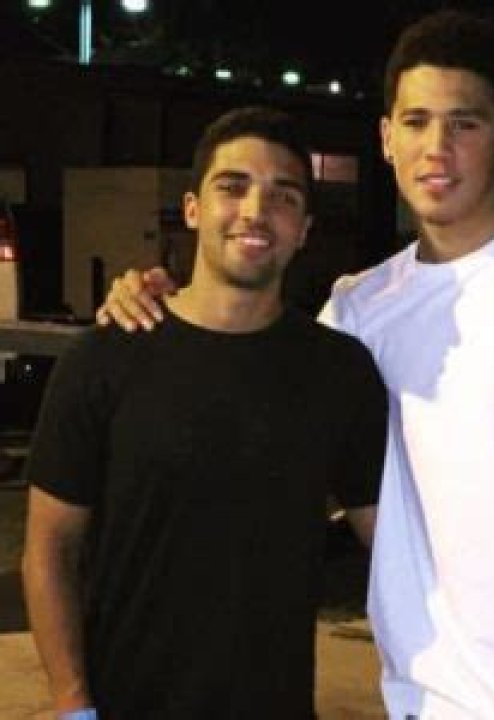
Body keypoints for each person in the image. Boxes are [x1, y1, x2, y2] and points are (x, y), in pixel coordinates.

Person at [96, 10, 494, 719]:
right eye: (416, 122)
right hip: (428, 700)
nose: (436, 148)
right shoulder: (360, 308)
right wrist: (157, 298)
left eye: (464, 123)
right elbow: (248, 377)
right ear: (386, 138)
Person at [22, 106, 388, 720]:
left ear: (304, 229)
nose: (255, 211)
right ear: (192, 209)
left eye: (283, 196)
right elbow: (49, 549)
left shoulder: (339, 372)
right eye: (232, 186)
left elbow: (394, 544)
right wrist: (72, 704)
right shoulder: (105, 358)